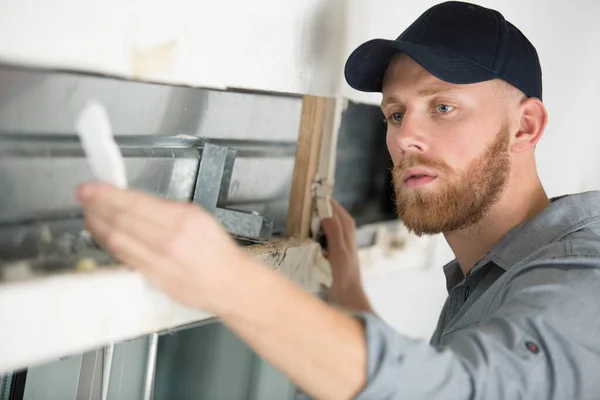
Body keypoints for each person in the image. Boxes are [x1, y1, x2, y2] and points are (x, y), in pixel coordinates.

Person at [76, 1, 600, 399]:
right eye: (395, 114)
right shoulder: (488, 276)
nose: (404, 139)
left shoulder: (581, 278)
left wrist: (229, 283)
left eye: (442, 107)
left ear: (524, 126)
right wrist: (347, 291)